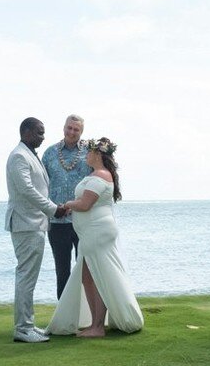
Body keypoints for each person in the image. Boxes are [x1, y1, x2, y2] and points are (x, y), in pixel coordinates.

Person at [45, 138, 143, 337]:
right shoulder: (96, 174)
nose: (86, 155)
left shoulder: (100, 175)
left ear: (97, 155)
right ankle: (95, 322)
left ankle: (97, 326)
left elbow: (85, 205)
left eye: (89, 153)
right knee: (89, 276)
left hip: (97, 232)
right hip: (91, 232)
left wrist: (67, 205)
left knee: (96, 275)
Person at [4, 117, 67, 343]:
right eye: (39, 133)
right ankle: (22, 329)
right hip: (25, 224)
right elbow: (26, 190)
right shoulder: (19, 156)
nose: (43, 137)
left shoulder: (29, 155)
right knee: (26, 276)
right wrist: (53, 209)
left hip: (34, 223)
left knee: (28, 276)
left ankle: (27, 324)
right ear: (26, 131)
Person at [41, 114, 92, 297]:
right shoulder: (50, 153)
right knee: (62, 271)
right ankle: (64, 318)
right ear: (63, 128)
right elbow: (41, 184)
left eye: (76, 129)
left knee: (86, 270)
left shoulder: (90, 152)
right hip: (57, 221)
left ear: (81, 131)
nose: (72, 132)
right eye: (69, 128)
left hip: (84, 220)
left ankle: (86, 315)